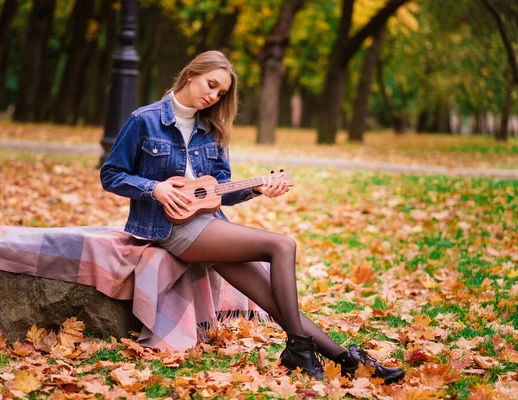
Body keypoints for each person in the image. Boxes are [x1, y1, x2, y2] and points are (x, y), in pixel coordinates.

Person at [100, 50, 405, 383]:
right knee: (282, 246)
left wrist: (258, 188)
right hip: (170, 229)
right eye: (210, 85)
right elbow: (111, 174)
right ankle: (300, 350)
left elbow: (219, 191)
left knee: (275, 302)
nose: (212, 96)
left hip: (210, 227)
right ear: (190, 74)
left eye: (220, 93)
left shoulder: (211, 129)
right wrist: (154, 189)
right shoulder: (144, 120)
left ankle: (347, 361)